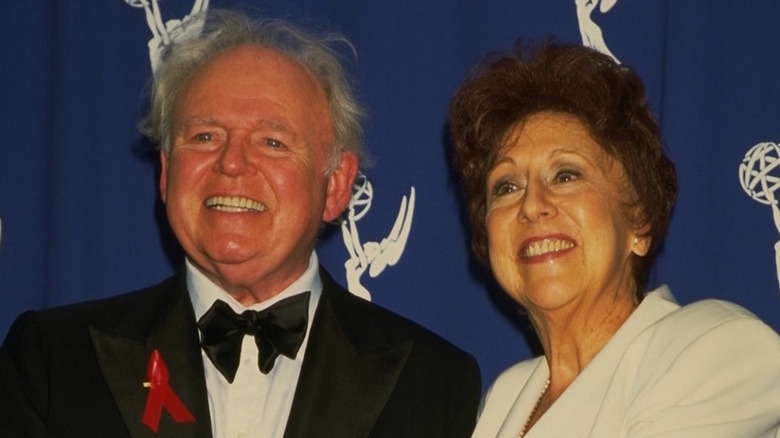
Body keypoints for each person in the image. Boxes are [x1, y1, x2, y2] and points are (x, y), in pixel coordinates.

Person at [0, 9, 481, 437]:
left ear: (335, 186)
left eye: (272, 142)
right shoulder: (52, 361)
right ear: (167, 174)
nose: (231, 163)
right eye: (205, 136)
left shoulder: (435, 382)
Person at [448, 41, 780, 437]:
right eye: (506, 186)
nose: (532, 205)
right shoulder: (505, 396)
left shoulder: (716, 348)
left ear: (639, 221)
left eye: (566, 175)